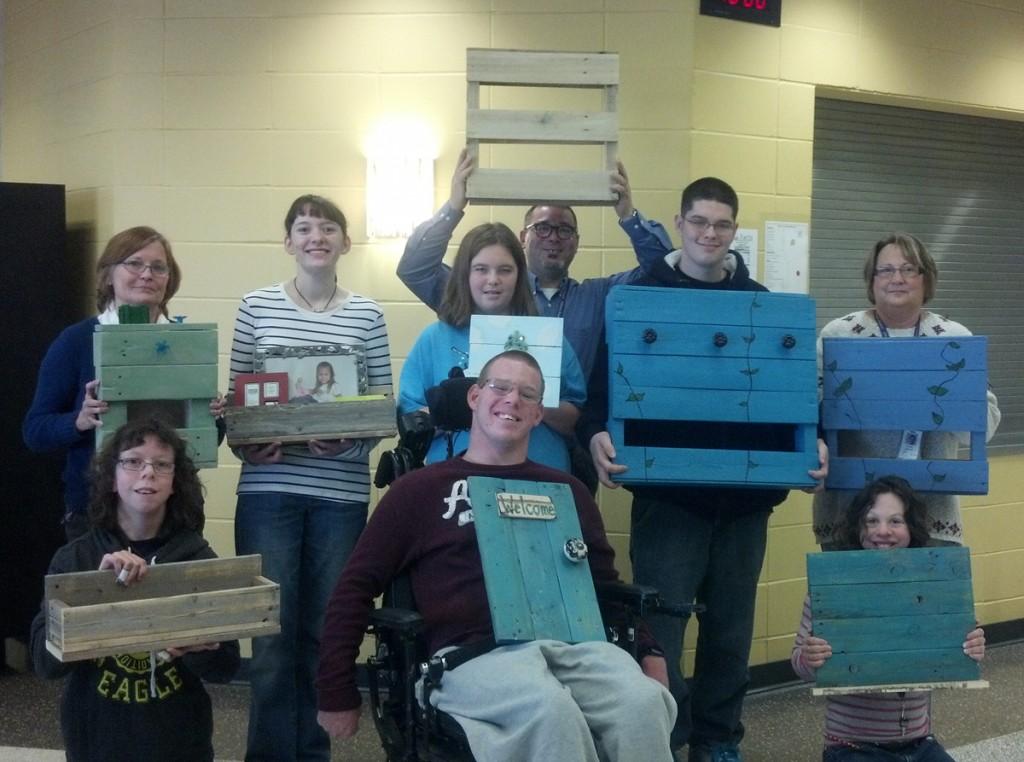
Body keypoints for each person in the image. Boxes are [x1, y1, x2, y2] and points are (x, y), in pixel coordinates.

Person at [316, 350, 677, 762]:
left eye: (527, 394)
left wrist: (648, 649)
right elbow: (354, 588)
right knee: (549, 711)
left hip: (575, 646)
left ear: (539, 414)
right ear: (474, 397)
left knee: (642, 703)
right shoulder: (418, 490)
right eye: (500, 387)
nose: (512, 400)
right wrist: (336, 689)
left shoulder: (568, 492)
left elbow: (605, 587)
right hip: (472, 655)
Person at [580, 173, 829, 762]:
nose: (709, 234)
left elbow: (791, 399)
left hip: (744, 501)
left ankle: (719, 740)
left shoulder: (764, 305)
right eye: (699, 222)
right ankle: (662, 740)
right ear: (682, 223)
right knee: (661, 632)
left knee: (730, 631)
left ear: (733, 230)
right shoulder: (640, 294)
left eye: (721, 224)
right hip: (669, 497)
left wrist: (809, 446)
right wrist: (594, 434)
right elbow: (600, 391)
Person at [228, 194, 392, 761]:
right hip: (268, 494)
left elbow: (381, 410)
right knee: (270, 639)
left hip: (340, 497)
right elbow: (236, 410)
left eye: (328, 228)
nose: (316, 236)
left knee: (326, 635)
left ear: (345, 243)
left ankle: (312, 755)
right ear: (288, 242)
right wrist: (253, 441)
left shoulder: (367, 314)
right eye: (303, 228)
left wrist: (348, 442)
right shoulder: (256, 307)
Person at [29, 418, 240, 762]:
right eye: (132, 461)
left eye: (161, 464)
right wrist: (93, 595)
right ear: (111, 478)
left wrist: (200, 646)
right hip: (96, 743)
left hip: (179, 745)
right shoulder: (76, 557)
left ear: (175, 482)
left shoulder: (195, 556)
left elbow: (226, 667)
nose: (147, 472)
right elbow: (44, 663)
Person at [396, 148, 670, 383]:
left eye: (564, 230)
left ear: (576, 242)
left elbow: (663, 274)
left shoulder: (599, 297)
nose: (553, 237)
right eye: (542, 228)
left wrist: (629, 216)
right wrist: (453, 206)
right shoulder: (489, 291)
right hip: (495, 427)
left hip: (571, 432)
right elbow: (415, 268)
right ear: (523, 238)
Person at [813, 233, 1001, 548]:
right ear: (871, 280)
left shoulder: (954, 340)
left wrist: (938, 393)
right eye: (885, 270)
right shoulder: (838, 335)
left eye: (909, 269)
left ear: (926, 279)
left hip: (931, 513)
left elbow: (984, 427)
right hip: (850, 513)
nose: (896, 279)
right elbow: (811, 412)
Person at [22, 226, 198, 541]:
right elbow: (35, 431)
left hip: (174, 511)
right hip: (95, 513)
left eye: (158, 267)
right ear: (108, 276)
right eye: (134, 263)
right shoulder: (75, 341)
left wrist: (212, 416)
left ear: (169, 280)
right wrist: (78, 421)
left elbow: (200, 439)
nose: (147, 274)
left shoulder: (188, 344)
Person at [792, 475, 986, 761]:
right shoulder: (831, 590)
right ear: (857, 527)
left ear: (911, 528)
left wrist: (971, 647)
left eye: (896, 521)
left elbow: (953, 654)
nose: (882, 531)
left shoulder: (934, 587)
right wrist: (810, 657)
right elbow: (798, 662)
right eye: (871, 521)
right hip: (852, 746)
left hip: (920, 744)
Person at [398, 220, 586, 472]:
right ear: (465, 274)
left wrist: (532, 403)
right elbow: (410, 420)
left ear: (520, 276)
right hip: (455, 476)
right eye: (481, 269)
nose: (493, 280)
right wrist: (453, 405)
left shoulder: (547, 337)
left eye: (505, 270)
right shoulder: (434, 339)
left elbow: (574, 415)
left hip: (540, 475)